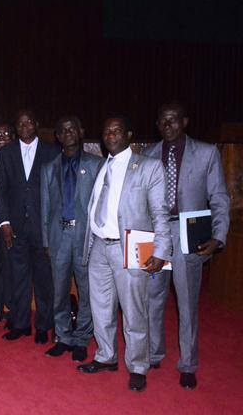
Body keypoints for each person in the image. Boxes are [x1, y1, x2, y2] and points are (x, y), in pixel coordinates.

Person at [77, 116, 171, 393]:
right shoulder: (103, 166)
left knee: (134, 310)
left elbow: (160, 213)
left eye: (117, 130)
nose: (111, 134)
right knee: (101, 308)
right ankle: (106, 356)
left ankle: (138, 365)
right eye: (106, 131)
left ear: (129, 134)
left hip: (128, 248)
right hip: (98, 247)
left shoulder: (149, 167)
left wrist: (161, 251)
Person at [143, 102, 230, 389]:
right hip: (156, 232)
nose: (168, 126)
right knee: (153, 296)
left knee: (187, 301)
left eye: (174, 120)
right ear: (157, 125)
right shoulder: (148, 154)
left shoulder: (206, 153)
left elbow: (218, 196)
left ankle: (188, 363)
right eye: (163, 121)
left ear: (185, 122)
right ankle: (155, 352)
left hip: (187, 232)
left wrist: (218, 235)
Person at [0, 109, 60, 343]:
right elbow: (0, 190)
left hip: (42, 228)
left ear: (36, 124)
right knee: (18, 278)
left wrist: (53, 227)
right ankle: (21, 324)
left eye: (28, 122)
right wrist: (4, 223)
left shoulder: (52, 151)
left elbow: (56, 192)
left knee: (43, 280)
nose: (24, 127)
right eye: (20, 123)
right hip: (14, 228)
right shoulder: (5, 153)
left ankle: (43, 326)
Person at [40, 116, 102, 362]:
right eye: (62, 130)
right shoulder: (49, 168)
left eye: (72, 129)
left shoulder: (96, 165)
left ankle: (82, 339)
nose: (68, 134)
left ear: (81, 132)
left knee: (87, 290)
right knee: (59, 291)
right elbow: (45, 207)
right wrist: (46, 241)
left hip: (85, 236)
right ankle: (63, 337)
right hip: (58, 237)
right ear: (57, 136)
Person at [0, 123, 15, 322]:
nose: (2, 137)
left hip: (11, 222)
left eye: (6, 133)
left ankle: (14, 308)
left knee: (12, 268)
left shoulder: (17, 158)